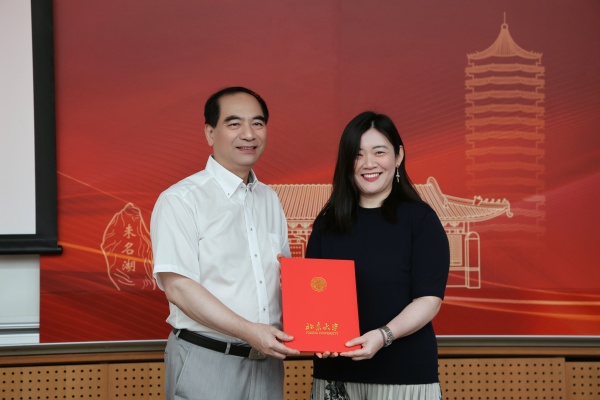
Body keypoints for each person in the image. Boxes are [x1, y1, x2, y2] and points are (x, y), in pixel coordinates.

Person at [150, 86, 300, 400]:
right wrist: (249, 331)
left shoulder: (269, 199)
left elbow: (285, 279)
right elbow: (179, 287)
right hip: (209, 359)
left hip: (268, 363)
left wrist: (322, 329)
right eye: (234, 123)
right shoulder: (181, 200)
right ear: (210, 133)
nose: (249, 134)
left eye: (257, 123)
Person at [306, 111, 450, 400]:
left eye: (379, 152)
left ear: (398, 156)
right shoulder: (328, 222)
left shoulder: (420, 220)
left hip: (404, 375)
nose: (368, 163)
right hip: (336, 375)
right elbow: (315, 296)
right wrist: (317, 336)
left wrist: (384, 336)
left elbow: (429, 300)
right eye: (357, 154)